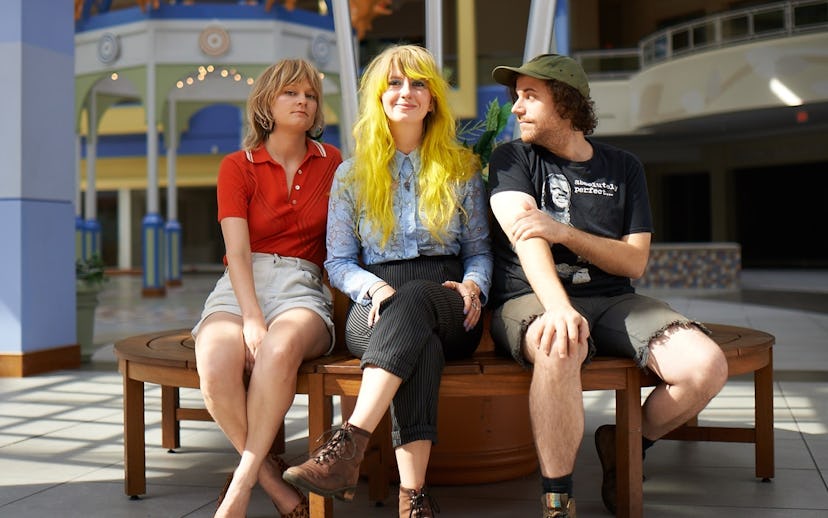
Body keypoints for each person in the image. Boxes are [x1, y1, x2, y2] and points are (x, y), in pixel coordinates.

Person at [486, 53, 729, 517]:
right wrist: (557, 308)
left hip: (614, 300)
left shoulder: (623, 167)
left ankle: (624, 444)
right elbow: (527, 239)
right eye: (516, 96)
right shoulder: (512, 158)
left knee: (706, 366)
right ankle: (558, 501)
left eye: (530, 96)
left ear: (568, 104)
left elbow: (634, 259)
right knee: (560, 342)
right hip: (529, 298)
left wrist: (565, 232)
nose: (517, 107)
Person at [283, 44, 492, 518]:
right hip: (373, 302)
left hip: (449, 301)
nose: (406, 92)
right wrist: (374, 288)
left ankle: (348, 444)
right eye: (395, 83)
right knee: (421, 345)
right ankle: (412, 500)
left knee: (419, 299)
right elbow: (337, 261)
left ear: (434, 99)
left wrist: (474, 286)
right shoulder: (352, 175)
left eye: (419, 83)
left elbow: (479, 251)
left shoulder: (460, 168)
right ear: (378, 95)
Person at [192, 58, 342, 518]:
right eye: (290, 93)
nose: (302, 101)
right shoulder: (237, 166)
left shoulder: (333, 162)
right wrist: (252, 317)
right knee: (216, 359)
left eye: (310, 95)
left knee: (278, 350)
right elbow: (236, 252)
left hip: (302, 285)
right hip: (243, 283)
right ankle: (270, 479)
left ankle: (242, 482)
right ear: (266, 103)